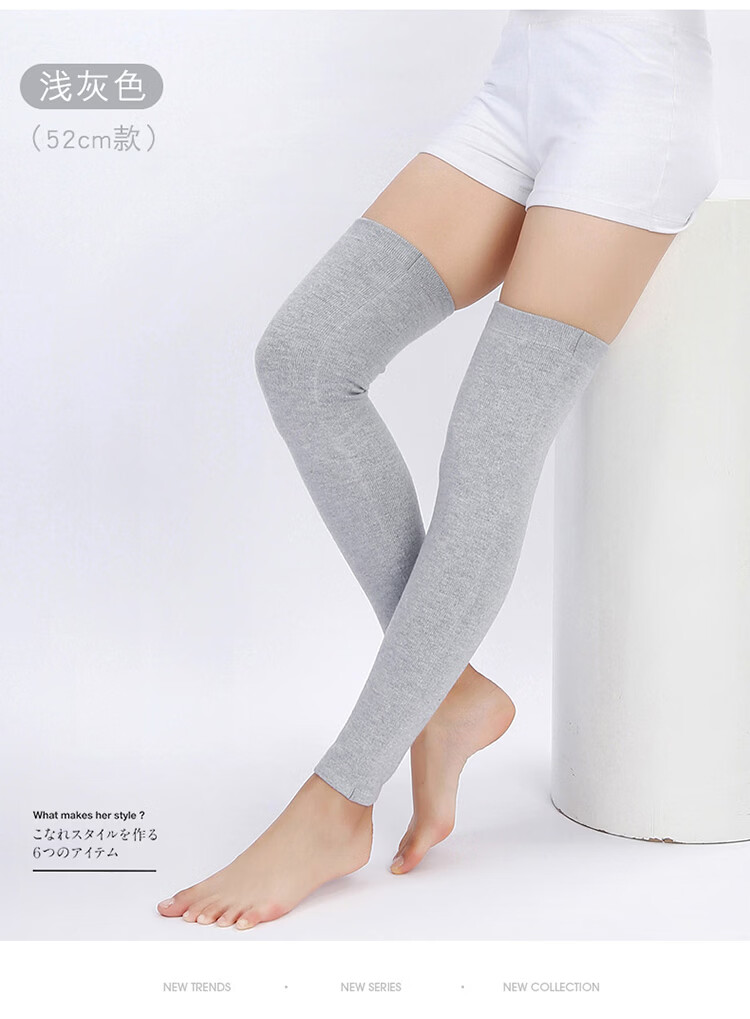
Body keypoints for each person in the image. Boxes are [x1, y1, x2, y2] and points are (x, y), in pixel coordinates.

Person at [157, 9, 720, 930]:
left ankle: (340, 801)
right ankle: (450, 691)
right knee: (306, 358)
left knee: (488, 450)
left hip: (635, 104)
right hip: (524, 83)